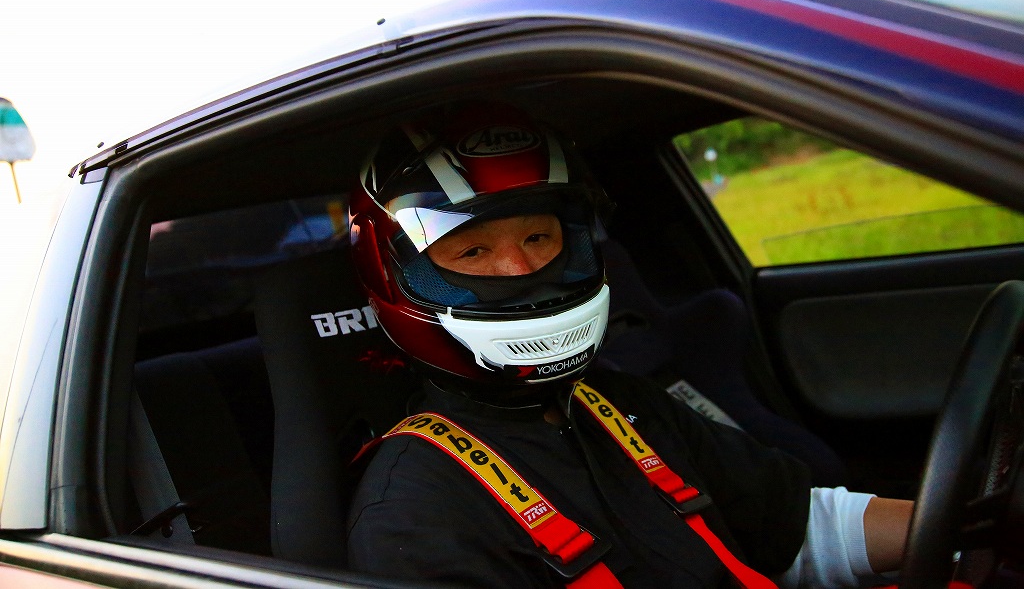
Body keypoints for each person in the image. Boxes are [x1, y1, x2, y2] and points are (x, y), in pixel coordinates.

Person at [345, 102, 913, 588]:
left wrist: (949, 528)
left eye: (538, 237)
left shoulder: (618, 401)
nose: (523, 271)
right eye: (473, 251)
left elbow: (800, 530)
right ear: (401, 278)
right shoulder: (415, 510)